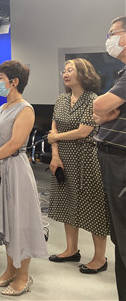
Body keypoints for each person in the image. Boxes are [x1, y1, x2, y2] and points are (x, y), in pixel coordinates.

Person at [0, 60, 47, 296]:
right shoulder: (2, 107)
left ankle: (23, 276)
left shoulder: (25, 109)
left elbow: (15, 143)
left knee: (20, 222)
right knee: (7, 221)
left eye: (0, 78)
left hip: (15, 170)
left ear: (14, 82)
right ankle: (9, 270)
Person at [47, 58, 110, 274]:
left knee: (93, 207)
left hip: (86, 160)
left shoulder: (94, 100)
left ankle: (100, 258)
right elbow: (53, 128)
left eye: (70, 70)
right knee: (68, 202)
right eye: (64, 70)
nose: (65, 74)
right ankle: (71, 249)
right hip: (62, 159)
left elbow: (83, 131)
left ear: (83, 73)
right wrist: (55, 156)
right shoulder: (61, 99)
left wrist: (56, 137)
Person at [92, 15, 126, 300]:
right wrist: (103, 115)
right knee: (119, 236)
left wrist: (103, 112)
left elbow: (99, 106)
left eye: (113, 33)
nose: (109, 39)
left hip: (121, 161)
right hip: (111, 158)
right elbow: (100, 113)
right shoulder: (122, 73)